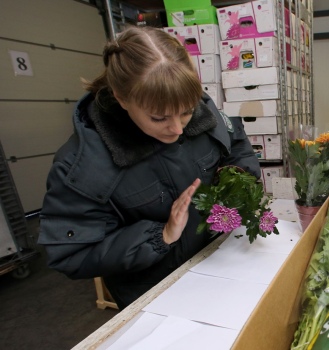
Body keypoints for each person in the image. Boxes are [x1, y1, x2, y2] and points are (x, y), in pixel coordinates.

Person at [37, 26, 260, 309]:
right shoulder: (81, 166)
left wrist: (237, 179)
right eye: (159, 118)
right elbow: (70, 254)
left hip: (219, 263)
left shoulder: (199, 107)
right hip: (157, 297)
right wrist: (161, 236)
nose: (177, 128)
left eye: (186, 112)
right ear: (122, 98)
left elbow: (236, 143)